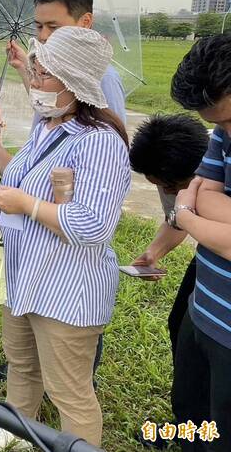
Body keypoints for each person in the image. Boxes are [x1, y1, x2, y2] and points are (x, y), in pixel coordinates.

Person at [0, 26, 130, 450]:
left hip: (66, 288)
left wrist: (29, 206)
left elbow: (94, 226)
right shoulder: (48, 127)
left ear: (75, 83)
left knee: (69, 390)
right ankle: (17, 429)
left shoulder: (101, 143)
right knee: (21, 364)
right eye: (34, 73)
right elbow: (23, 182)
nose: (34, 84)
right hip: (25, 273)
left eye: (43, 76)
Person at [0, 0, 127, 383]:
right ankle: (20, 421)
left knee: (68, 376)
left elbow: (98, 163)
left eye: (54, 27)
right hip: (33, 261)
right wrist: (25, 70)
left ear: (85, 24)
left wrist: (34, 202)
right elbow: (54, 103)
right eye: (39, 27)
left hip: (68, 267)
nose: (44, 35)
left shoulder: (100, 100)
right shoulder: (50, 111)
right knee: (25, 364)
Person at [169, 35, 231, 451]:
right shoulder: (223, 132)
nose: (223, 131)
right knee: (189, 406)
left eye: (226, 119)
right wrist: (199, 205)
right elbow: (201, 185)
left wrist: (187, 215)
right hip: (205, 302)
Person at [128, 114, 208, 360]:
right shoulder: (171, 176)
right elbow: (176, 221)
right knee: (180, 323)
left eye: (172, 187)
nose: (167, 192)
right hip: (209, 257)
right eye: (160, 185)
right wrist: (153, 253)